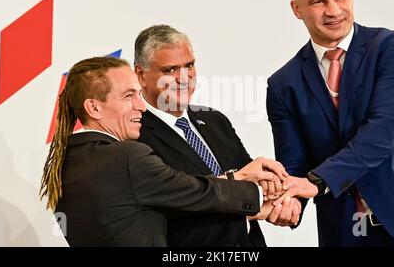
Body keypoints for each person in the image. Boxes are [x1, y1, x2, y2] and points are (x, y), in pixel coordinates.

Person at [39, 56, 287, 247]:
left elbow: (177, 198)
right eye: (128, 96)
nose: (141, 107)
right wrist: (254, 188)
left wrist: (246, 200)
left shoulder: (65, 161)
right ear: (93, 107)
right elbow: (195, 191)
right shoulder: (126, 157)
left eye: (138, 94)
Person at [266, 0, 394, 247]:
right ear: (297, 9)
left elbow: (385, 132)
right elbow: (295, 163)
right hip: (342, 233)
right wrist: (290, 202)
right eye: (318, 2)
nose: (333, 10)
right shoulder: (282, 84)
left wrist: (316, 182)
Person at [134, 24, 301, 247]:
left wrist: (283, 201)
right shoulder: (133, 136)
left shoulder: (215, 120)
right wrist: (249, 209)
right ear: (140, 75)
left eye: (189, 65)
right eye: (170, 70)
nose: (184, 78)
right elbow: (168, 213)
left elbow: (254, 187)